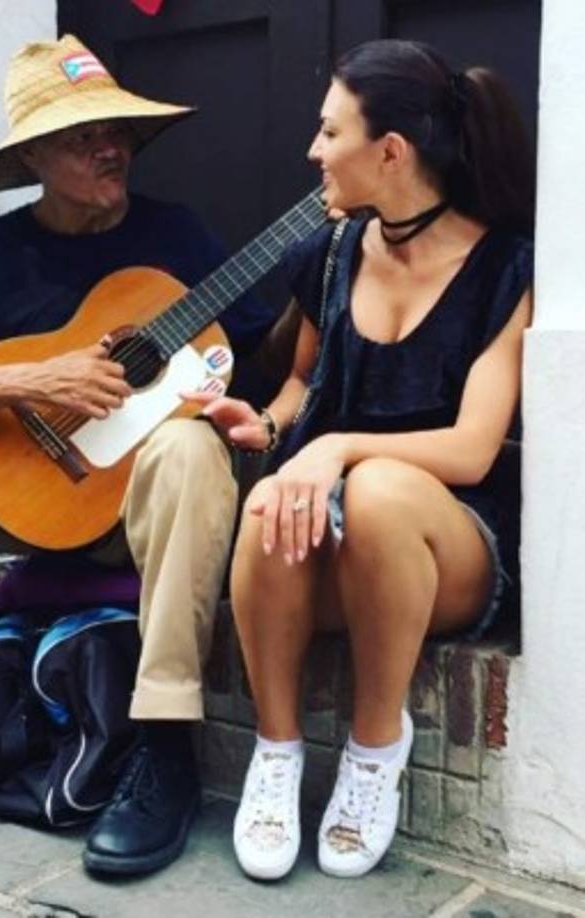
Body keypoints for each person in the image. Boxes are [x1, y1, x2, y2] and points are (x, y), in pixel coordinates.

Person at [0, 34, 283, 875]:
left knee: (190, 452)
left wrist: (333, 274)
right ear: (34, 159)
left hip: (141, 504)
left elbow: (266, 354)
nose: (108, 147)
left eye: (115, 131)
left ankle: (163, 746)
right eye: (82, 136)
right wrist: (32, 380)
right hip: (22, 490)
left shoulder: (179, 237)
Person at [190, 38, 534, 880]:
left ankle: (375, 748)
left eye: (328, 131)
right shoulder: (333, 253)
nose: (312, 151)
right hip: (332, 543)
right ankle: (277, 754)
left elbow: (472, 446)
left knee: (377, 489)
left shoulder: (505, 270)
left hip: (441, 550)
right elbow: (304, 383)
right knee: (273, 501)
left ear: (390, 151)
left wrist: (337, 448)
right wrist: (269, 432)